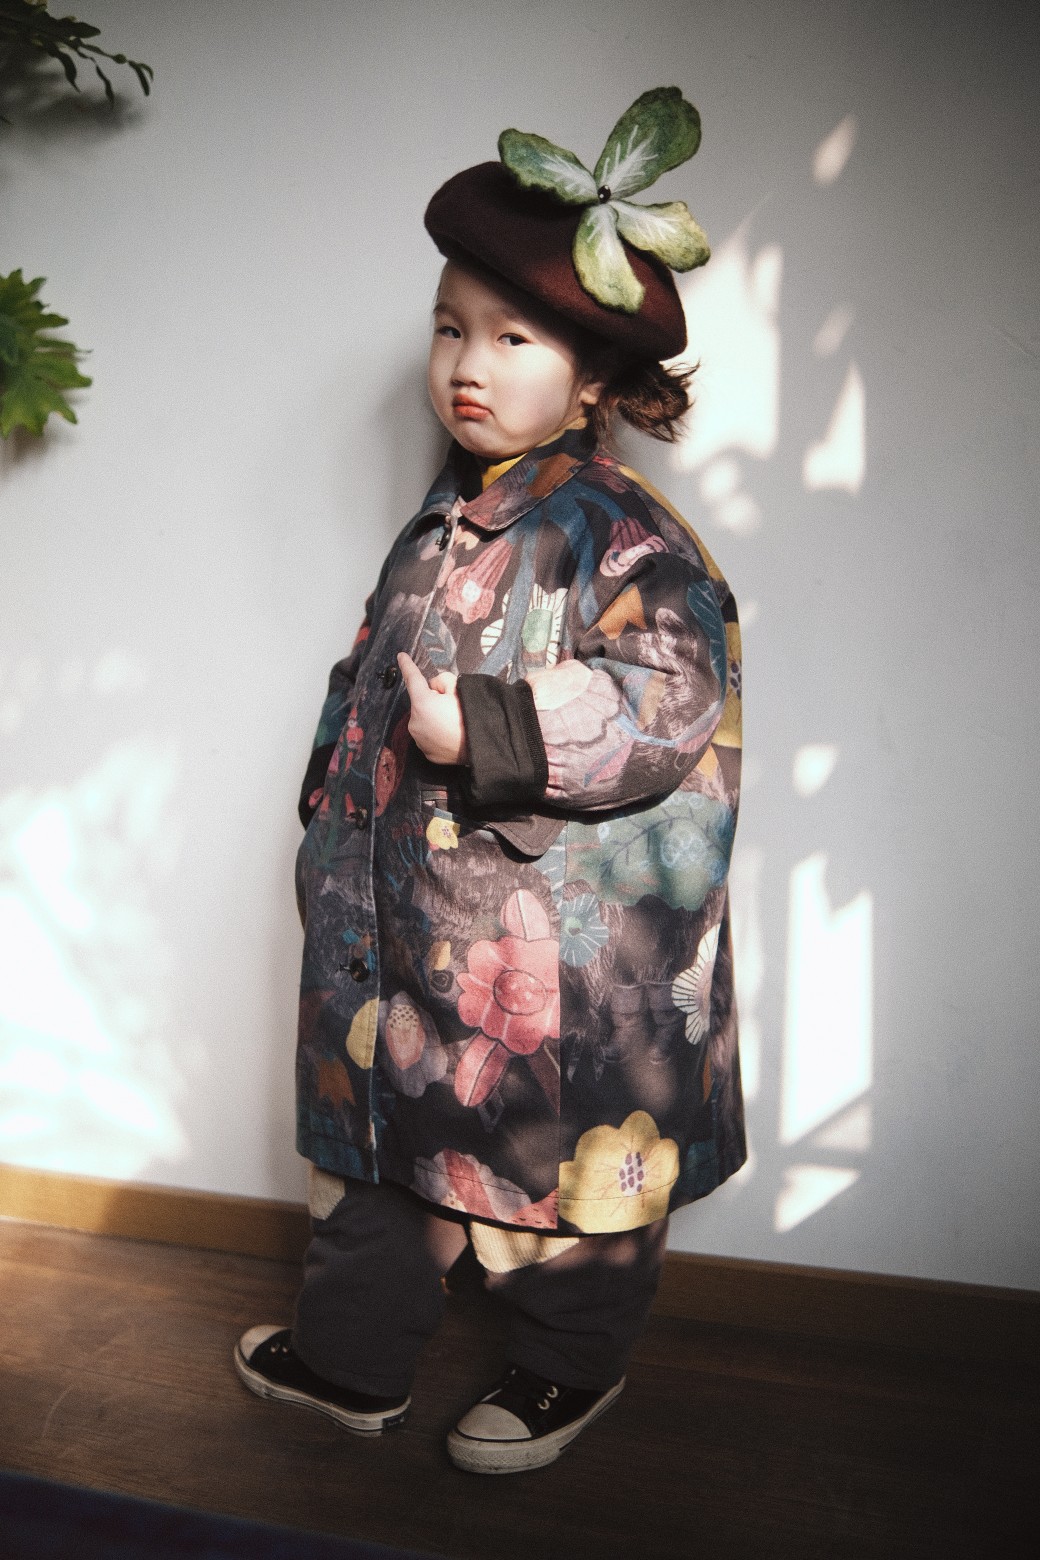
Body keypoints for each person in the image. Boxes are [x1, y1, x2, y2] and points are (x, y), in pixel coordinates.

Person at [235, 87, 745, 1475]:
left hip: (550, 957)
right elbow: (370, 672)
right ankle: (351, 1363)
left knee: (565, 1183)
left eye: (512, 337)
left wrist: (492, 733)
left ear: (592, 378)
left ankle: (567, 1369)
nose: (467, 362)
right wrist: (324, 803)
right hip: (402, 924)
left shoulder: (621, 535)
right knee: (376, 1158)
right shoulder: (445, 517)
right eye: (450, 327)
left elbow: (669, 705)